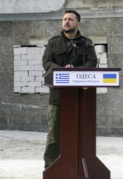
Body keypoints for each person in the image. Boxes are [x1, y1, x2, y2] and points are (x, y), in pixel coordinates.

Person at [42, 10, 98, 168]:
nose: (66, 22)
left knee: (81, 132)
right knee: (54, 134)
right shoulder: (53, 43)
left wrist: (75, 71)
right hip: (57, 96)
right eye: (64, 19)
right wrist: (61, 70)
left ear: (78, 23)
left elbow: (92, 63)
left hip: (80, 96)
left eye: (70, 19)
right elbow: (47, 62)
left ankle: (80, 165)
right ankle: (51, 167)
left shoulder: (86, 43)